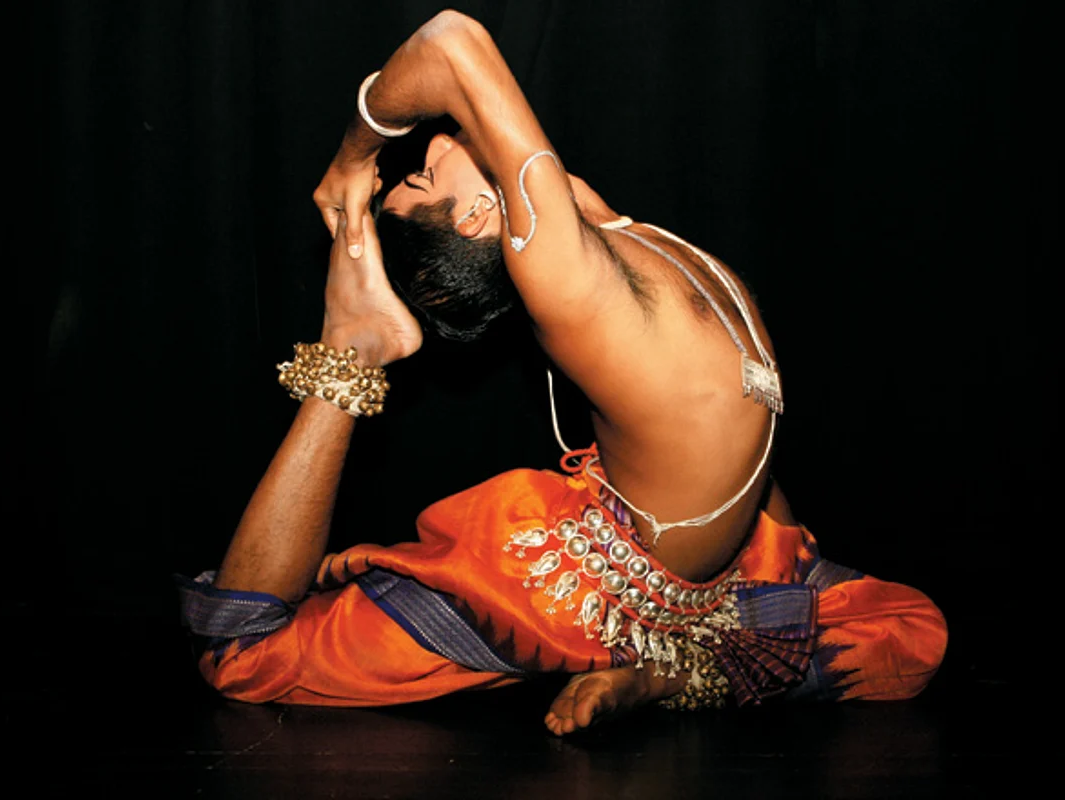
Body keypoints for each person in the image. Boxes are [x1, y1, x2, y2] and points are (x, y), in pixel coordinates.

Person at [178, 11, 947, 735]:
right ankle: (355, 343)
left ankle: (670, 671)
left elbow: (477, 104)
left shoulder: (598, 221)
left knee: (912, 631)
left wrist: (369, 183)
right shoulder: (561, 270)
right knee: (243, 653)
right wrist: (354, 158)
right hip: (582, 592)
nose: (431, 145)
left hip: (717, 558)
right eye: (424, 178)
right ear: (479, 218)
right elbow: (449, 42)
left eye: (413, 171)